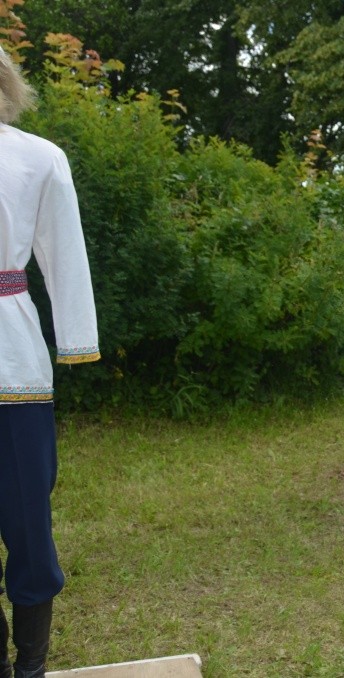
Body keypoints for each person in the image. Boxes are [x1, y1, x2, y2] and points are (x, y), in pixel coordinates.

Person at [0, 47, 100, 678]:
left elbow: (65, 254)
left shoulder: (39, 157)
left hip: (13, 364)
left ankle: (30, 667)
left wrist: (76, 338)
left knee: (28, 523)